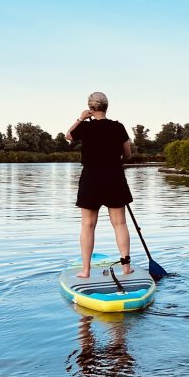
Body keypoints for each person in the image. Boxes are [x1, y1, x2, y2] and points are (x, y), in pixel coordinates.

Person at [65, 91, 133, 279]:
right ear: (106, 106)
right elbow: (127, 153)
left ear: (90, 107)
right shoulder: (118, 127)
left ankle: (86, 270)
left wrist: (80, 118)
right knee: (119, 223)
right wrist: (121, 158)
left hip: (91, 178)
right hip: (114, 177)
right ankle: (126, 267)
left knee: (88, 225)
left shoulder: (85, 128)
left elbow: (68, 136)